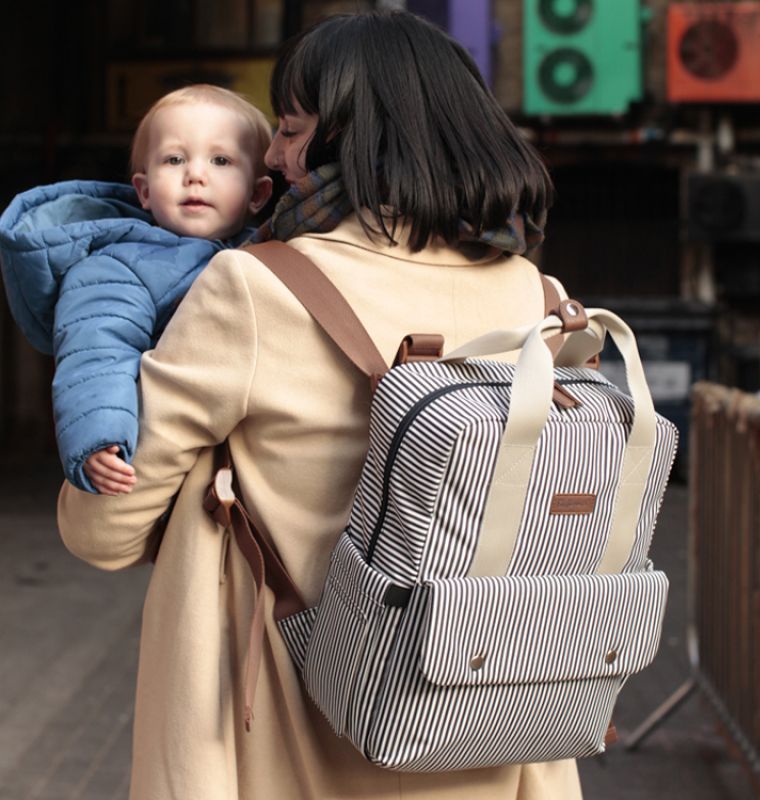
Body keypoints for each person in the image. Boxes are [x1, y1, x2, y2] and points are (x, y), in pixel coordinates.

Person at [57, 11, 583, 799]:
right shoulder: (535, 295)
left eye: (292, 127)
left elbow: (102, 526)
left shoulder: (254, 287)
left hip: (285, 735)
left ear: (352, 137)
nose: (270, 151)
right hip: (489, 716)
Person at [0, 84, 272, 495]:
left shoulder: (269, 253)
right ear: (144, 190)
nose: (195, 174)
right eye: (174, 159)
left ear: (257, 193)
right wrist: (100, 438)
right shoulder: (118, 265)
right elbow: (96, 352)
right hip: (166, 455)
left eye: (220, 160)